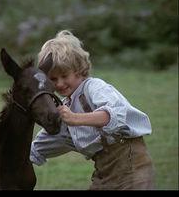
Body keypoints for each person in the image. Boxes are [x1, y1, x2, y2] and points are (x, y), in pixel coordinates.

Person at [30, 30, 154, 190]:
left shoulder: (94, 87)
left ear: (78, 70)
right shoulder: (63, 110)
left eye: (64, 76)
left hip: (132, 166)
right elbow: (40, 146)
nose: (59, 84)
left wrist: (75, 119)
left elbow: (114, 115)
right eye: (53, 79)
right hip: (103, 174)